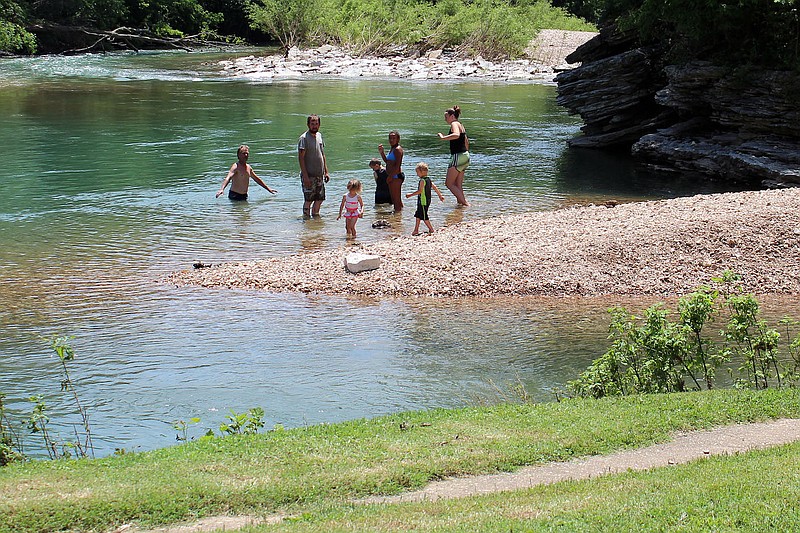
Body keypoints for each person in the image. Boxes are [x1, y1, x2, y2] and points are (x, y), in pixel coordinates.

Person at [437, 105, 470, 206]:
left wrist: (443, 137)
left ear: (452, 116)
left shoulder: (454, 124)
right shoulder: (461, 125)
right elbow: (466, 141)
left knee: (449, 183)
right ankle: (460, 206)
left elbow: (456, 135)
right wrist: (465, 154)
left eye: (446, 117)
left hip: (458, 156)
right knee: (458, 185)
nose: (445, 119)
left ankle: (465, 204)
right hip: (465, 155)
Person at [298, 114, 330, 216]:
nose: (314, 126)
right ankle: (306, 220)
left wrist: (326, 172)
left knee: (320, 199)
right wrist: (305, 176)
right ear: (308, 124)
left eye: (316, 124)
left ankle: (316, 220)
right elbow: (301, 158)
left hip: (319, 175)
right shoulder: (304, 138)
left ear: (319, 125)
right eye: (312, 124)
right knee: (308, 199)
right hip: (309, 175)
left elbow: (322, 154)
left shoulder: (319, 136)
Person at [405, 162, 445, 236]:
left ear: (422, 171)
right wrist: (440, 195)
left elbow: (420, 191)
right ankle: (416, 230)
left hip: (423, 201)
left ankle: (431, 229)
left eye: (417, 172)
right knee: (418, 214)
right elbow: (435, 187)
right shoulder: (428, 179)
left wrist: (410, 195)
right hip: (426, 200)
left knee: (423, 216)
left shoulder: (422, 181)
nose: (417, 174)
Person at [378, 130, 404, 211]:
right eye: (390, 138)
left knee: (396, 201)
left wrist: (390, 176)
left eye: (394, 138)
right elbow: (387, 162)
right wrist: (382, 152)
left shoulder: (397, 149)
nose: (391, 140)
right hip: (393, 176)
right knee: (395, 200)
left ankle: (398, 221)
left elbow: (398, 165)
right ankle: (400, 217)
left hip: (396, 176)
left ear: (398, 139)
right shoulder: (392, 149)